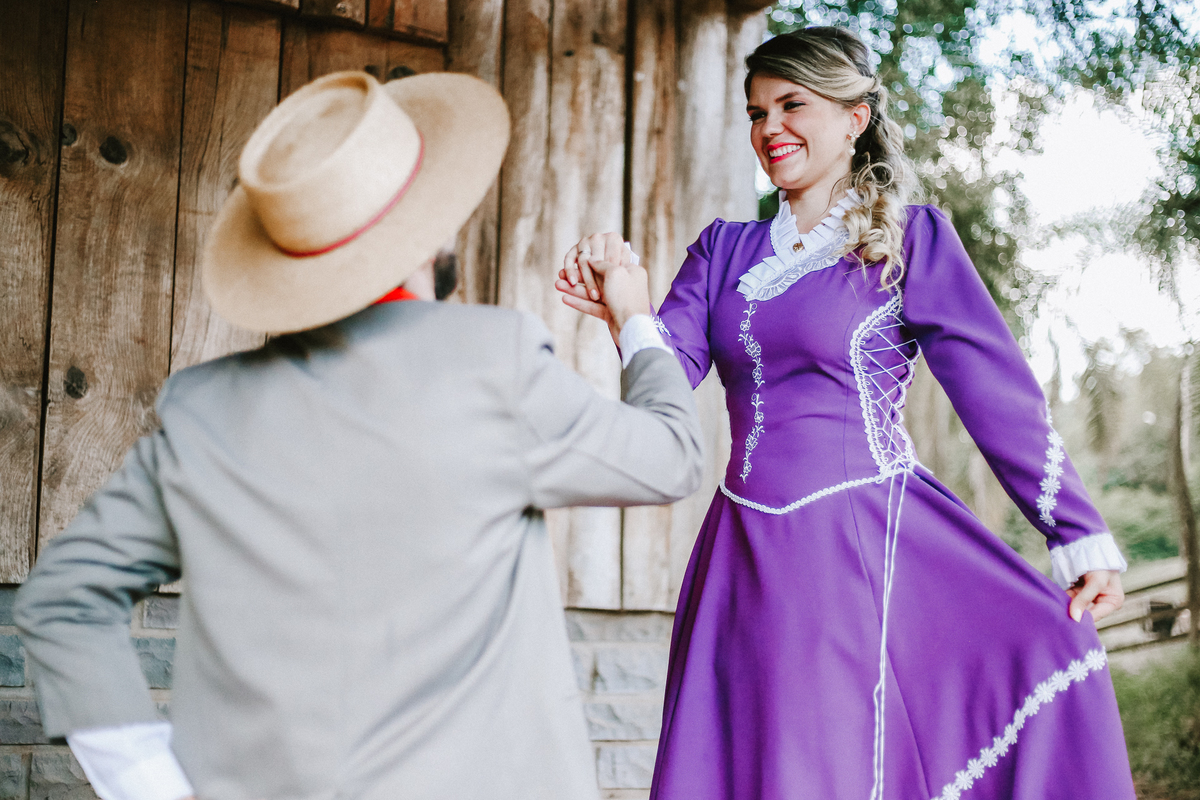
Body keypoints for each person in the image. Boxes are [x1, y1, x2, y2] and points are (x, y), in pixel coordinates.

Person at [15, 70, 704, 800]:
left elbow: (64, 597)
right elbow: (671, 458)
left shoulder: (203, 412)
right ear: (427, 232)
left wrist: (154, 786)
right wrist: (634, 316)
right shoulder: (492, 361)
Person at [556, 26, 1136, 800]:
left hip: (864, 543)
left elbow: (996, 394)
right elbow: (667, 376)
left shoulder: (912, 239)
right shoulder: (723, 251)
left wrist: (1076, 533)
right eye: (756, 113)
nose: (770, 130)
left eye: (792, 105)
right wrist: (624, 301)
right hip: (741, 561)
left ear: (855, 116)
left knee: (840, 760)